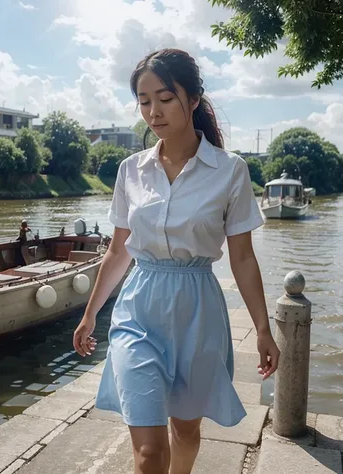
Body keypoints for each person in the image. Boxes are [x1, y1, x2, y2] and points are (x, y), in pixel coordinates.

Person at [73, 48, 280, 474]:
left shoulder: (230, 170)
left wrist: (262, 329)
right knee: (148, 452)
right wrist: (90, 313)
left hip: (197, 311)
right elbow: (117, 251)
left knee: (185, 432)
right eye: (144, 101)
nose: (154, 111)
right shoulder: (130, 170)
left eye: (165, 98)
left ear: (193, 99)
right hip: (139, 309)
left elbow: (242, 258)